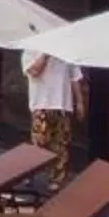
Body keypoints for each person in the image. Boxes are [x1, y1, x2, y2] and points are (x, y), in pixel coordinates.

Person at [21, 50, 81, 187]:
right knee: (39, 142)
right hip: (41, 105)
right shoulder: (30, 51)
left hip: (62, 105)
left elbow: (75, 78)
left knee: (61, 145)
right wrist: (45, 54)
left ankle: (56, 180)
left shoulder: (66, 50)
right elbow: (34, 72)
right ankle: (28, 173)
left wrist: (80, 101)